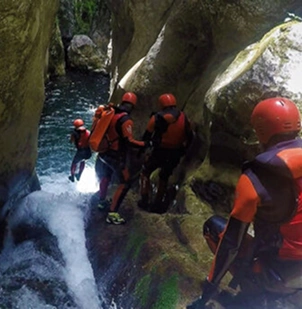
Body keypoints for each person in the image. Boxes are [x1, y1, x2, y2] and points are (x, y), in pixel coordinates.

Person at [187, 97, 302, 308]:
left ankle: (255, 294)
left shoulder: (255, 179)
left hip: (278, 275)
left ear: (261, 131)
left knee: (213, 227)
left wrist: (207, 293)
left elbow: (231, 244)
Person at [95, 92, 147, 225]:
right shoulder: (125, 120)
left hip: (104, 153)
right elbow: (129, 141)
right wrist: (145, 144)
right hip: (116, 156)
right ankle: (112, 214)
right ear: (133, 106)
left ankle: (101, 202)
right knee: (125, 182)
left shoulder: (110, 114)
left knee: (106, 176)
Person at [138, 93, 193, 213]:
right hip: (175, 153)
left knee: (145, 172)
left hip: (159, 151)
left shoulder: (156, 118)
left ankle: (144, 199)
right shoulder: (184, 117)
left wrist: (142, 150)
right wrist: (183, 150)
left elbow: (146, 137)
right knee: (164, 177)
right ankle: (158, 203)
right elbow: (190, 135)